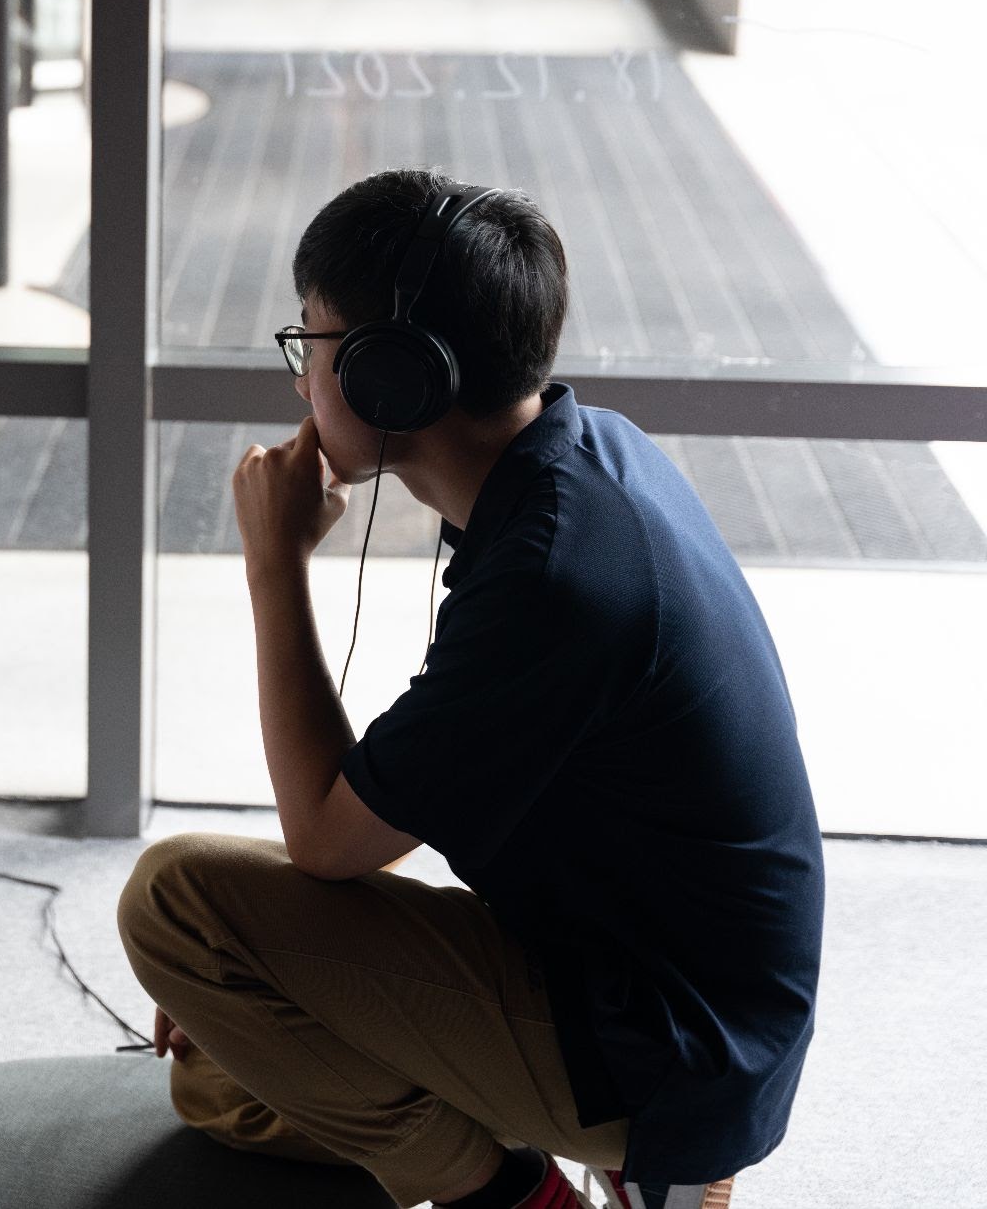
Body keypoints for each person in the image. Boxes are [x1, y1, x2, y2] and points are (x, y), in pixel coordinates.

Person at [117, 169, 822, 1209]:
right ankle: (615, 1159)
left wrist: (273, 563)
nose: (299, 382)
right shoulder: (579, 460)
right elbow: (371, 823)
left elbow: (322, 840)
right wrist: (269, 955)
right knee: (220, 1081)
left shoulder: (551, 581)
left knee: (172, 903)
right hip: (649, 974)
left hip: (668, 1044)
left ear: (389, 378)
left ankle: (522, 1195)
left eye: (310, 346)